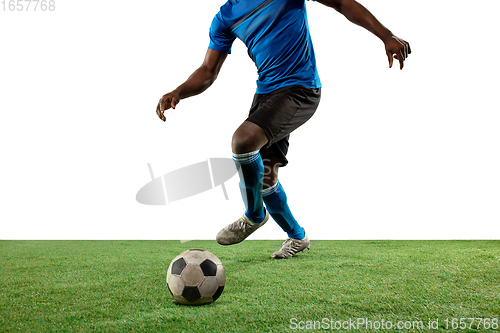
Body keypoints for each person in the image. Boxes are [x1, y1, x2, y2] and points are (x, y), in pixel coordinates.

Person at [156, 0, 411, 259]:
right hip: (266, 94)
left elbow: (342, 3)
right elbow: (208, 71)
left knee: (243, 141)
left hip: (301, 89)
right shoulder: (224, 17)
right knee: (266, 175)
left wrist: (386, 36)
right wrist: (178, 92)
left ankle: (254, 215)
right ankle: (297, 236)